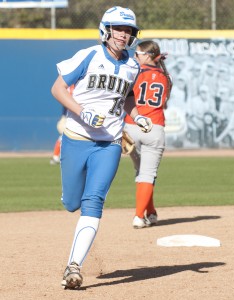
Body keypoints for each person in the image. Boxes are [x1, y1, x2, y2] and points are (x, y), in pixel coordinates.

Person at [51, 6, 152, 290]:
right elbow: (58, 89)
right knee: (73, 202)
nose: (123, 34)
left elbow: (128, 99)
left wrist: (138, 115)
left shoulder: (133, 65)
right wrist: (82, 112)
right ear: (105, 29)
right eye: (119, 28)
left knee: (93, 201)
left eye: (128, 30)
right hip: (77, 138)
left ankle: (74, 266)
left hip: (109, 143)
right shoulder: (89, 56)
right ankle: (71, 199)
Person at [124, 40, 172, 229]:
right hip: (155, 128)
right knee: (147, 174)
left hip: (132, 126)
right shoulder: (166, 77)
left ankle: (148, 213)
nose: (135, 57)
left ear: (148, 56)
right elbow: (164, 103)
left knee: (142, 173)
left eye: (138, 54)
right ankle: (141, 215)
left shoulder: (134, 72)